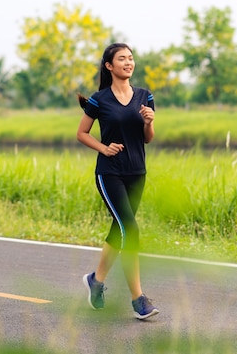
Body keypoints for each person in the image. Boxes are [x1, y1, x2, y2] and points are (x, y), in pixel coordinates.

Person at [76, 42, 159, 320]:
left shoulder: (145, 96)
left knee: (120, 229)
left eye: (131, 58)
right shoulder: (100, 99)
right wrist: (103, 148)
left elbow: (148, 138)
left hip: (137, 172)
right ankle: (139, 299)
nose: (128, 62)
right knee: (130, 230)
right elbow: (82, 133)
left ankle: (95, 281)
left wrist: (148, 122)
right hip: (109, 173)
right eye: (121, 59)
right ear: (109, 66)